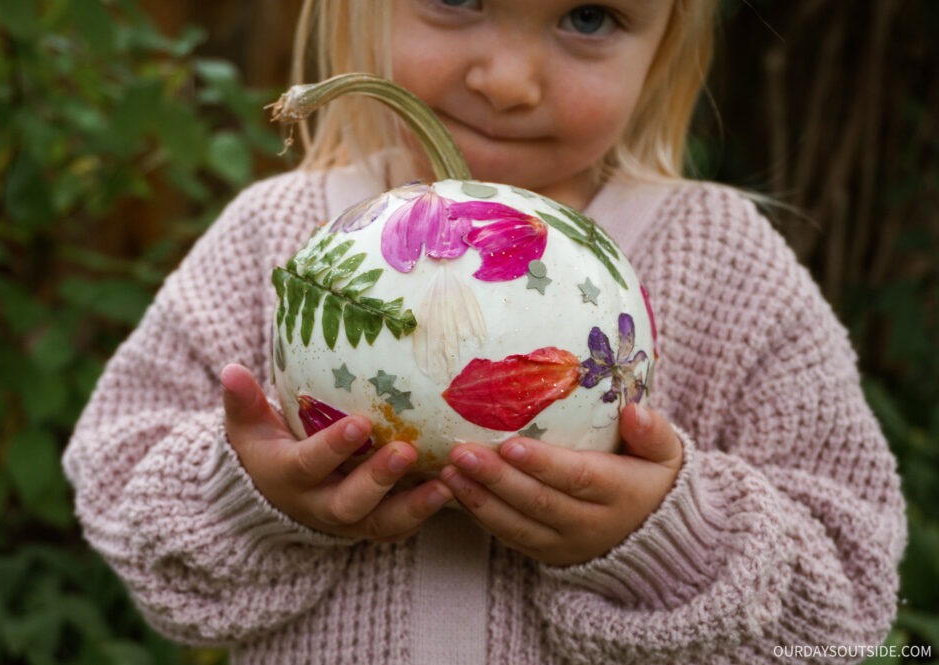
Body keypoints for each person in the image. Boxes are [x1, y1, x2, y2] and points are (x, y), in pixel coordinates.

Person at [63, 0, 907, 662]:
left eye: (589, 17)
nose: (507, 79)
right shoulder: (277, 236)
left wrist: (666, 540)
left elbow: (845, 597)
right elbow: (117, 474)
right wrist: (251, 495)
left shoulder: (722, 263)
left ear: (668, 39)